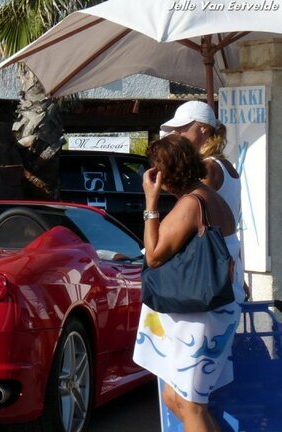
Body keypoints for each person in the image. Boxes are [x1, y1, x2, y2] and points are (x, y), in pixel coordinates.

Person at [133, 134, 243, 432]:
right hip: (214, 308)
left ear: (165, 172)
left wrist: (151, 203)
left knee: (191, 404)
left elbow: (154, 256)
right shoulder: (210, 197)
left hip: (201, 315)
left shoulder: (192, 204)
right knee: (174, 397)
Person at [160, 100, 248, 300]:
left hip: (212, 267)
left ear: (203, 129)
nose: (177, 135)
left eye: (182, 129)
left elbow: (189, 212)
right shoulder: (223, 164)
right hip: (225, 260)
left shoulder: (208, 168)